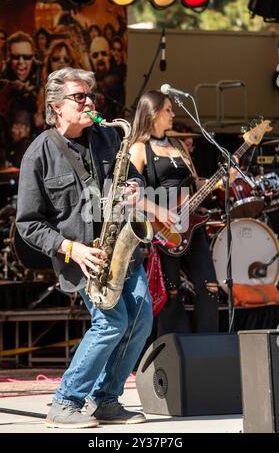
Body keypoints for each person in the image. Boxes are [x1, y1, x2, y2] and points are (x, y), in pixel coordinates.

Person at [16, 67, 153, 429]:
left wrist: (137, 187)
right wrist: (71, 249)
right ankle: (65, 401)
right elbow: (27, 224)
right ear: (57, 106)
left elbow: (132, 176)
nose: (89, 102)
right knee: (111, 323)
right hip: (82, 257)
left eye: (90, 95)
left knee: (140, 321)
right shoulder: (39, 154)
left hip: (122, 250)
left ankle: (106, 400)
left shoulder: (108, 139)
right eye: (80, 97)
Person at [130, 90, 219, 335]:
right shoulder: (139, 149)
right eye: (168, 109)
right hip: (163, 228)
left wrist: (220, 180)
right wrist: (157, 210)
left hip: (192, 224)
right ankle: (173, 349)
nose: (172, 114)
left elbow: (195, 184)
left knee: (209, 285)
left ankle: (209, 346)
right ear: (153, 113)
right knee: (171, 291)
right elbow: (129, 193)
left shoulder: (179, 145)